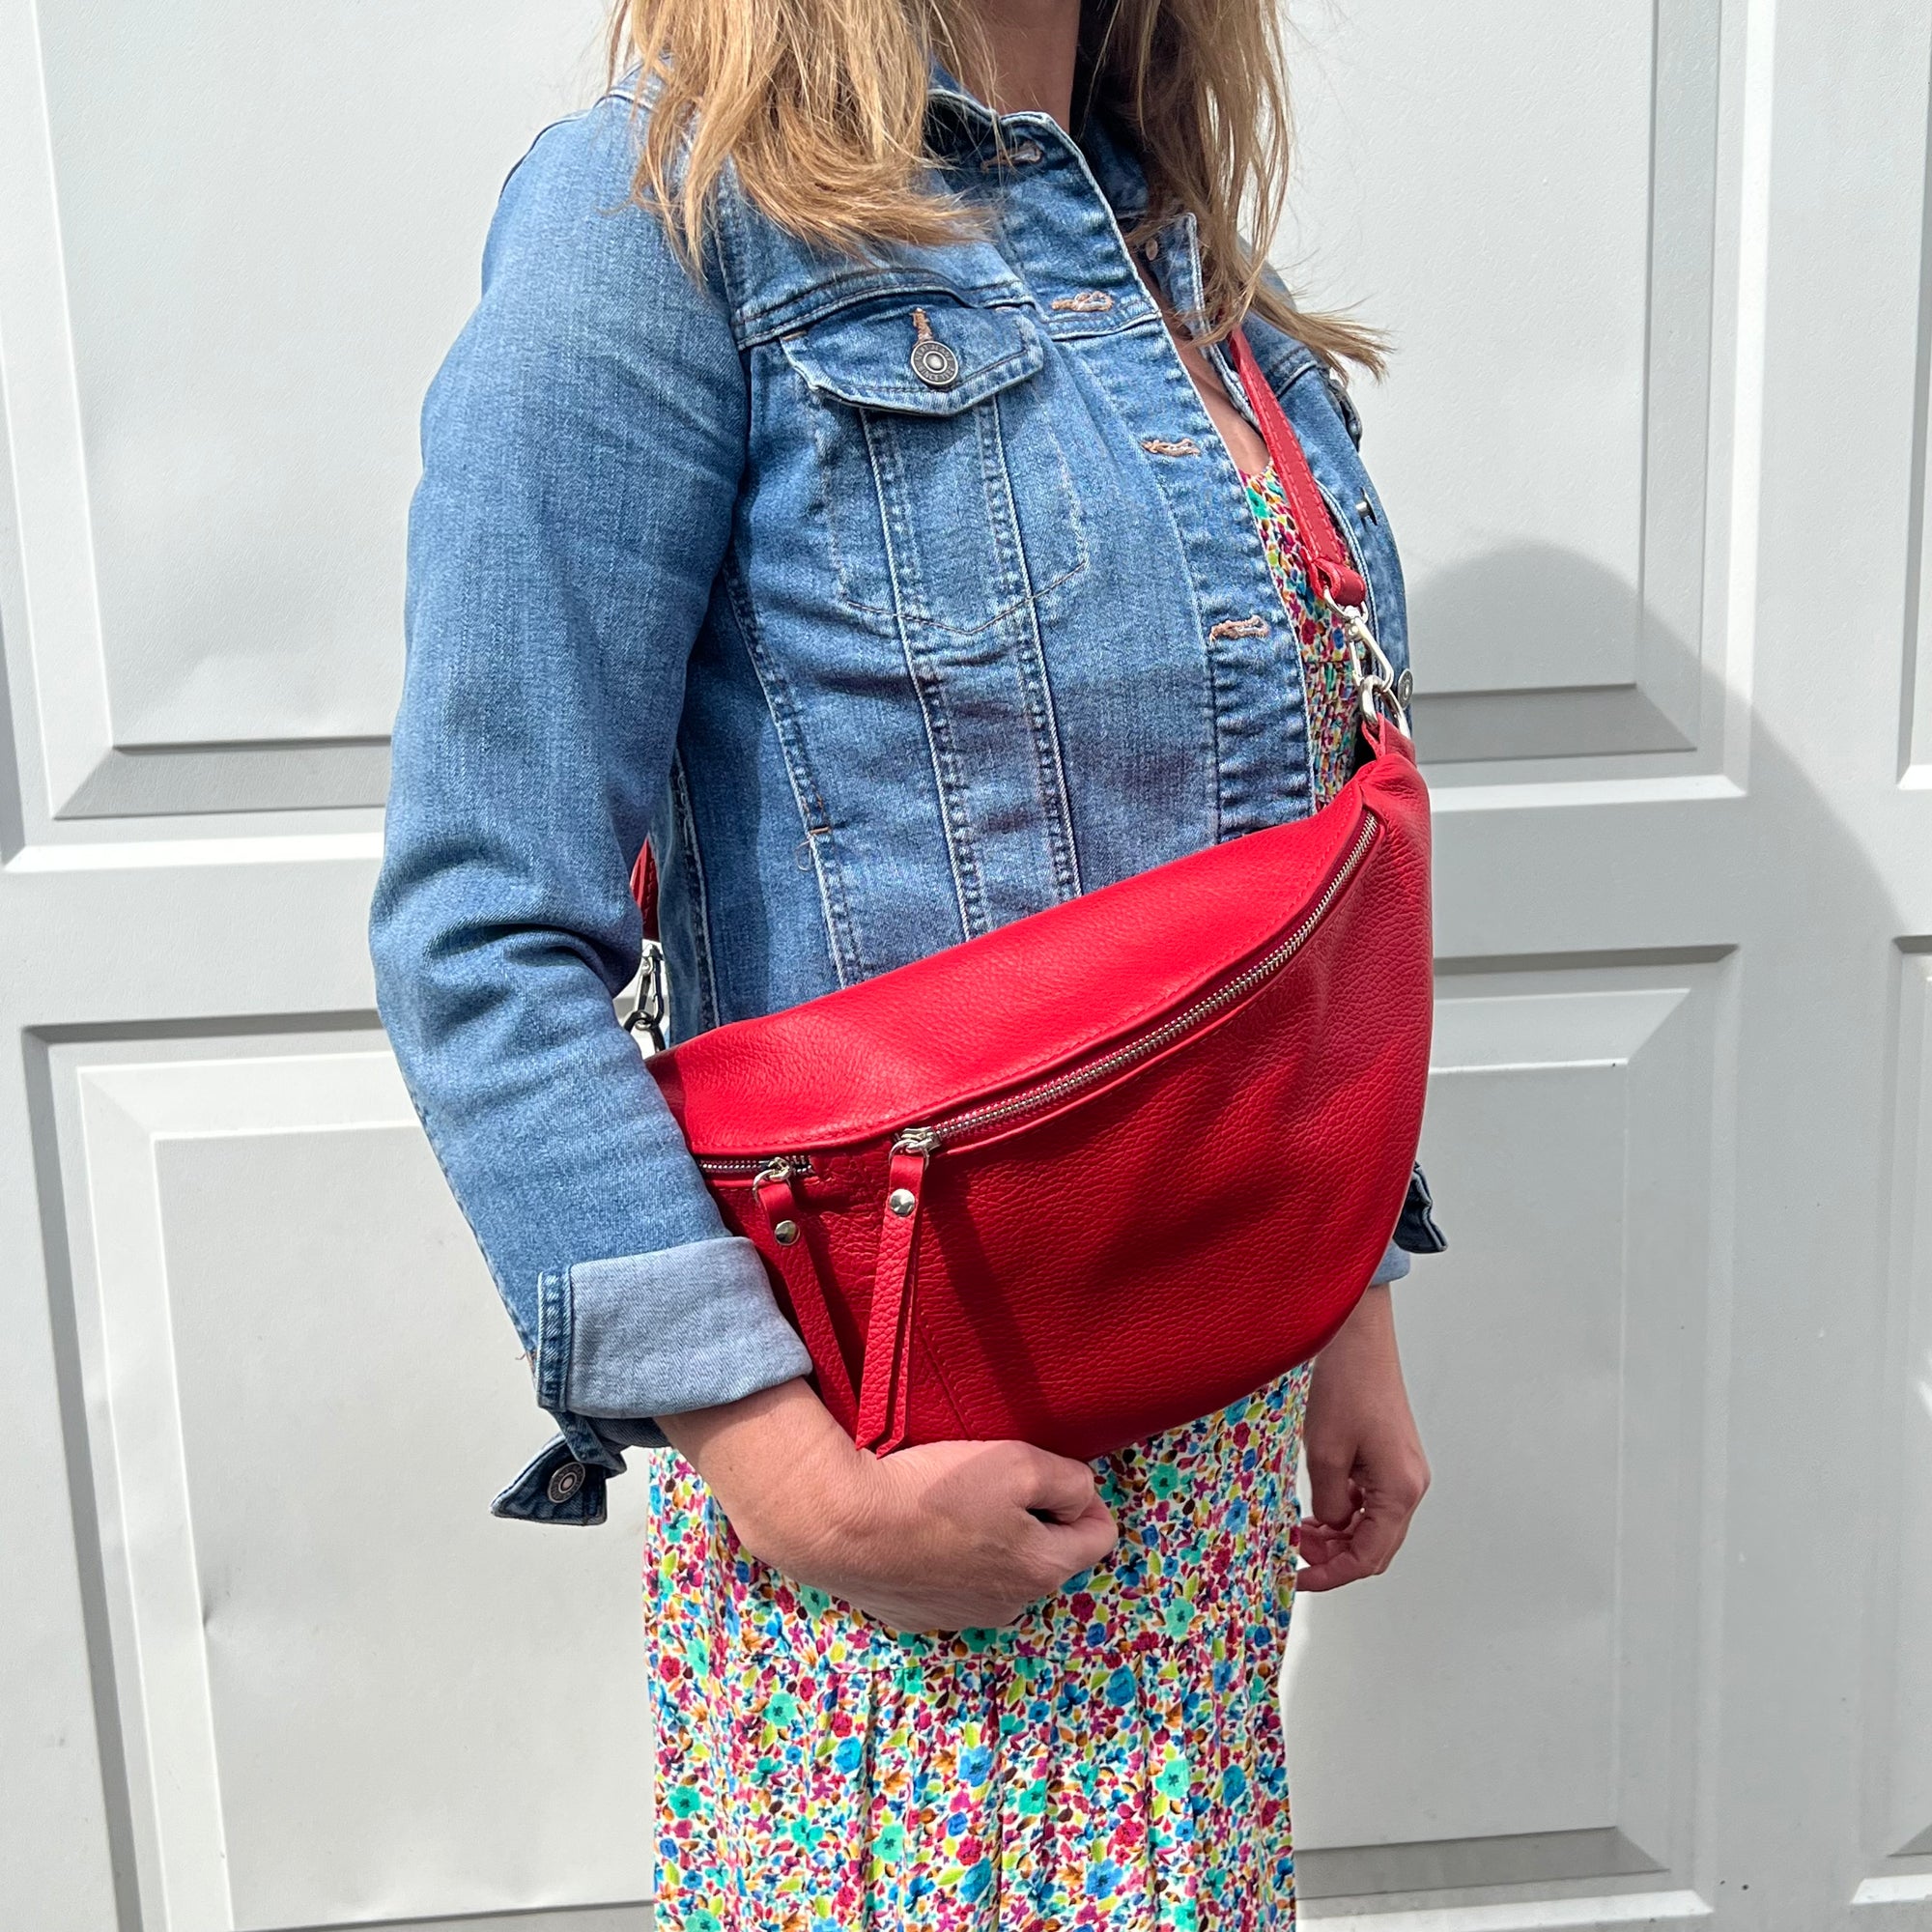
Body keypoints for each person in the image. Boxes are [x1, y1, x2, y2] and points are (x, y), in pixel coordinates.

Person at [369, 0, 1447, 1922]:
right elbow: (487, 926)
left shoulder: (1190, 273)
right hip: (891, 1492)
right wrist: (782, 1472)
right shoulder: (657, 218)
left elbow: (1273, 889)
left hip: (1195, 1478)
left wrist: (1345, 1291)